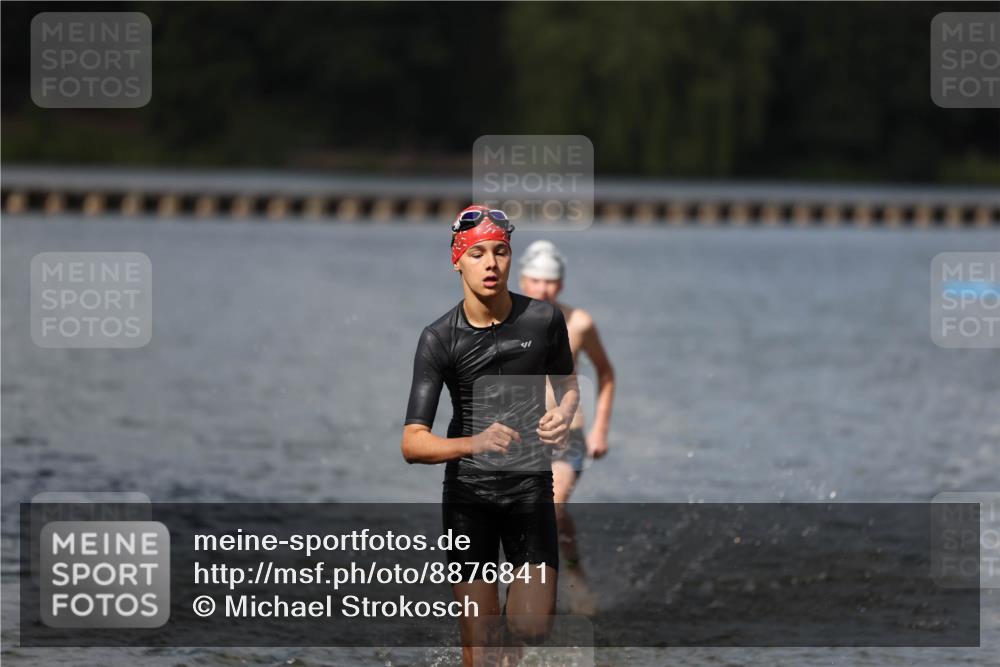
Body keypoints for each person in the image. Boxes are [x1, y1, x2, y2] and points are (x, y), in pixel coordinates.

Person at [401, 205, 580, 667]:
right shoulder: (439, 338)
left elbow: (567, 384)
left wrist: (564, 411)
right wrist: (474, 443)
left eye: (500, 252)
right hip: (469, 498)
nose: (491, 263)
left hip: (528, 489)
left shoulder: (543, 320)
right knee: (481, 654)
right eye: (478, 253)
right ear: (457, 260)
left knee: (532, 626)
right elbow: (413, 443)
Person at [518, 239, 616, 616]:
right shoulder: (506, 321)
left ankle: (568, 581)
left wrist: (601, 431)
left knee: (553, 506)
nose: (544, 289)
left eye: (552, 281)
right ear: (523, 279)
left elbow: (606, 375)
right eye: (537, 280)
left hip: (567, 436)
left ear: (561, 283)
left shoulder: (579, 323)